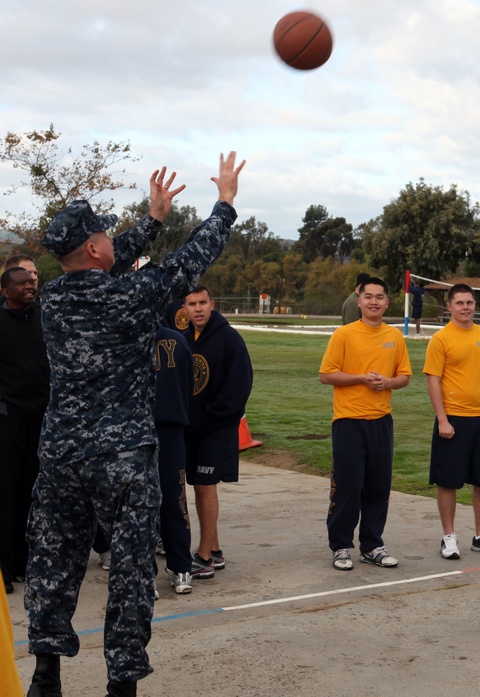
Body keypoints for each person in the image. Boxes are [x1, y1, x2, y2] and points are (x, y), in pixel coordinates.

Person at [24, 153, 244, 697]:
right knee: (129, 568)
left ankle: (46, 674)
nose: (109, 239)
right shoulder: (128, 296)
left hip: (61, 455)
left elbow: (104, 259)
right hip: (121, 456)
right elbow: (187, 264)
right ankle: (122, 680)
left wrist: (152, 220)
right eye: (105, 233)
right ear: (95, 247)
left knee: (53, 559)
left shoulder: (51, 297)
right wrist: (224, 205)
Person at [319, 277, 411, 571]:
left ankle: (372, 544)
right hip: (348, 421)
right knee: (348, 486)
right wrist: (360, 378)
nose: (374, 302)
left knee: (378, 487)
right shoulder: (344, 335)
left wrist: (387, 383)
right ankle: (341, 546)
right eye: (368, 296)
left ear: (387, 302)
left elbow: (404, 377)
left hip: (381, 422)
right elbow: (326, 375)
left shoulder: (394, 336)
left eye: (379, 297)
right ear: (358, 301)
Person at [424, 283, 480, 560]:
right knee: (448, 481)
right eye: (459, 303)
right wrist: (442, 419)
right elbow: (432, 380)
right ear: (449, 306)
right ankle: (449, 537)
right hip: (453, 422)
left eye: (469, 302)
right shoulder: (441, 339)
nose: (465, 307)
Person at [181, 285, 253, 579]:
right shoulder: (184, 339)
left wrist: (213, 417)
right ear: (184, 309)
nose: (197, 308)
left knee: (205, 486)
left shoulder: (229, 339)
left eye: (202, 302)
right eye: (191, 304)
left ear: (212, 304)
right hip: (191, 428)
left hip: (216, 428)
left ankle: (204, 556)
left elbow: (239, 386)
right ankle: (216, 549)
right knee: (197, 485)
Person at [0, 265, 49, 595]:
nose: (29, 287)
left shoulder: (42, 318)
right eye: (21, 284)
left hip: (40, 419)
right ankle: (3, 567)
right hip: (7, 420)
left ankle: (24, 562)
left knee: (32, 494)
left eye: (31, 282)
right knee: (5, 494)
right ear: (5, 291)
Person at [154, 323, 196, 595]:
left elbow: (188, 384)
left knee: (174, 499)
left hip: (169, 430)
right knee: (138, 507)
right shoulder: (121, 336)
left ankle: (181, 566)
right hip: (132, 434)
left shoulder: (176, 341)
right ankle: (144, 573)